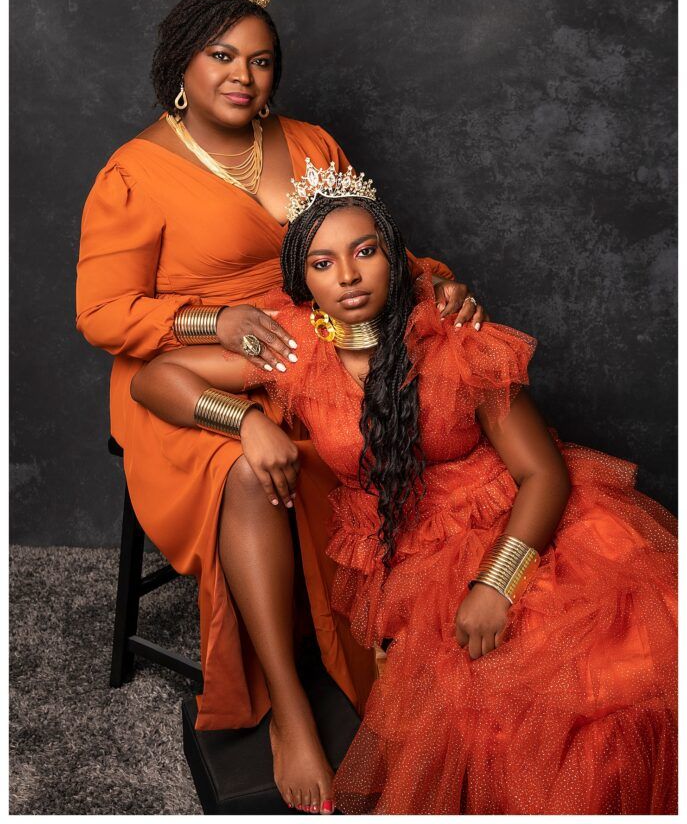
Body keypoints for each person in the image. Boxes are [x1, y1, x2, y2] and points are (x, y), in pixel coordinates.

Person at [129, 160, 678, 815]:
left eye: (364, 253)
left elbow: (543, 474)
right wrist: (244, 419)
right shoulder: (297, 347)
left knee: (616, 692)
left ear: (395, 259)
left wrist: (495, 583)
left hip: (523, 531)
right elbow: (155, 380)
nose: (349, 277)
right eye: (323, 264)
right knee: (498, 714)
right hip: (411, 557)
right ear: (302, 280)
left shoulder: (452, 337)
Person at [75, 0, 486, 812]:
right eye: (221, 56)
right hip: (185, 375)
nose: (241, 76)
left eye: (260, 60)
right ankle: (289, 713)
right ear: (181, 66)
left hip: (313, 346)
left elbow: (355, 238)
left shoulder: (306, 143)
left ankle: (397, 642)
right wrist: (208, 322)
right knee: (253, 477)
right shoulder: (134, 171)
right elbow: (105, 314)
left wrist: (432, 280)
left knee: (419, 417)